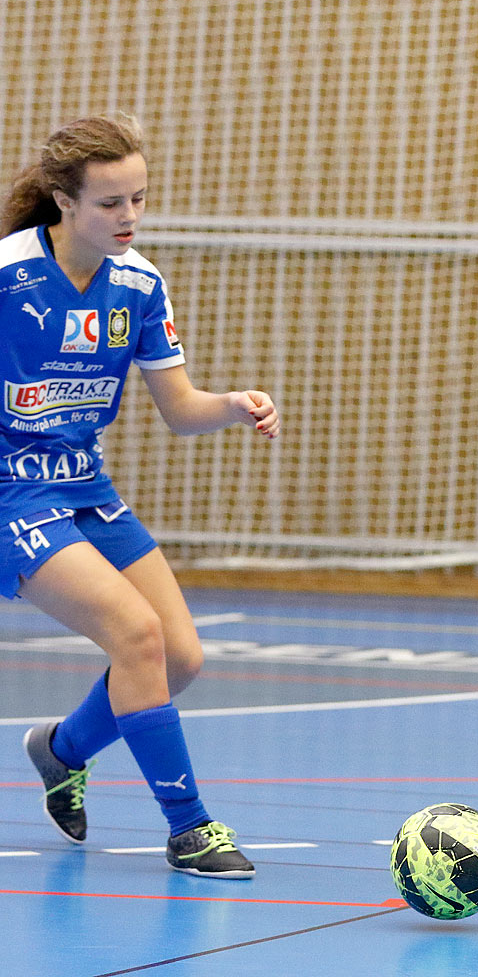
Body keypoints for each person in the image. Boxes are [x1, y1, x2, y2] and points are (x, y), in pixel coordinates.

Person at [3, 113, 280, 878]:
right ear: (63, 200)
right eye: (110, 203)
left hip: (86, 487)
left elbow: (179, 409)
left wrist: (231, 404)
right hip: (11, 496)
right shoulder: (7, 277)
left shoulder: (140, 282)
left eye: (139, 200)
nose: (128, 217)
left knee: (181, 657)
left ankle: (60, 752)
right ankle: (190, 827)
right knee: (136, 636)